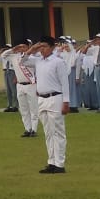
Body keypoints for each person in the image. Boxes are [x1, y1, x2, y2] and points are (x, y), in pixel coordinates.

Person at [29, 36, 69, 174]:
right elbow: (22, 61)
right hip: (42, 98)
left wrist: (66, 102)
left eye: (45, 46)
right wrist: (32, 49)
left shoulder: (58, 62)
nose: (42, 49)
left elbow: (64, 82)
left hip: (55, 97)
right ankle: (51, 161)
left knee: (58, 131)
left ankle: (60, 163)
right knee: (48, 132)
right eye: (41, 47)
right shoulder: (38, 61)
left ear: (52, 47)